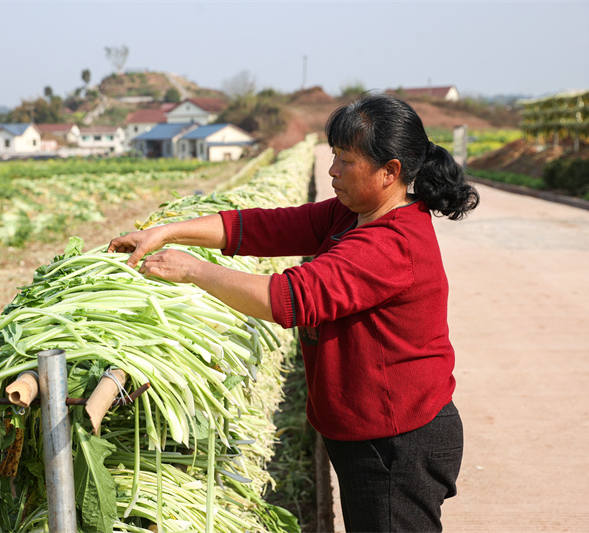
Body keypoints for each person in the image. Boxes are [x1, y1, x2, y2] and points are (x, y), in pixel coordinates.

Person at [108, 93, 479, 532]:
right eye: (333, 155)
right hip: (374, 434)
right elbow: (265, 227)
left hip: (396, 442)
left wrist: (193, 271)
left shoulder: (391, 243)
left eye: (346, 160)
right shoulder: (351, 215)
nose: (332, 170)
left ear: (390, 171)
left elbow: (291, 298)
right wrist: (169, 232)